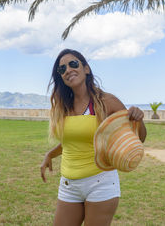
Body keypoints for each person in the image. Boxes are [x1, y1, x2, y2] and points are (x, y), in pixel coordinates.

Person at [40, 49, 146, 226]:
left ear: (86, 69)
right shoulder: (62, 106)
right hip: (69, 185)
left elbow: (138, 138)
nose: (68, 70)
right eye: (62, 69)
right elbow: (71, 141)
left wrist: (139, 120)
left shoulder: (107, 101)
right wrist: (50, 154)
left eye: (73, 64)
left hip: (100, 183)